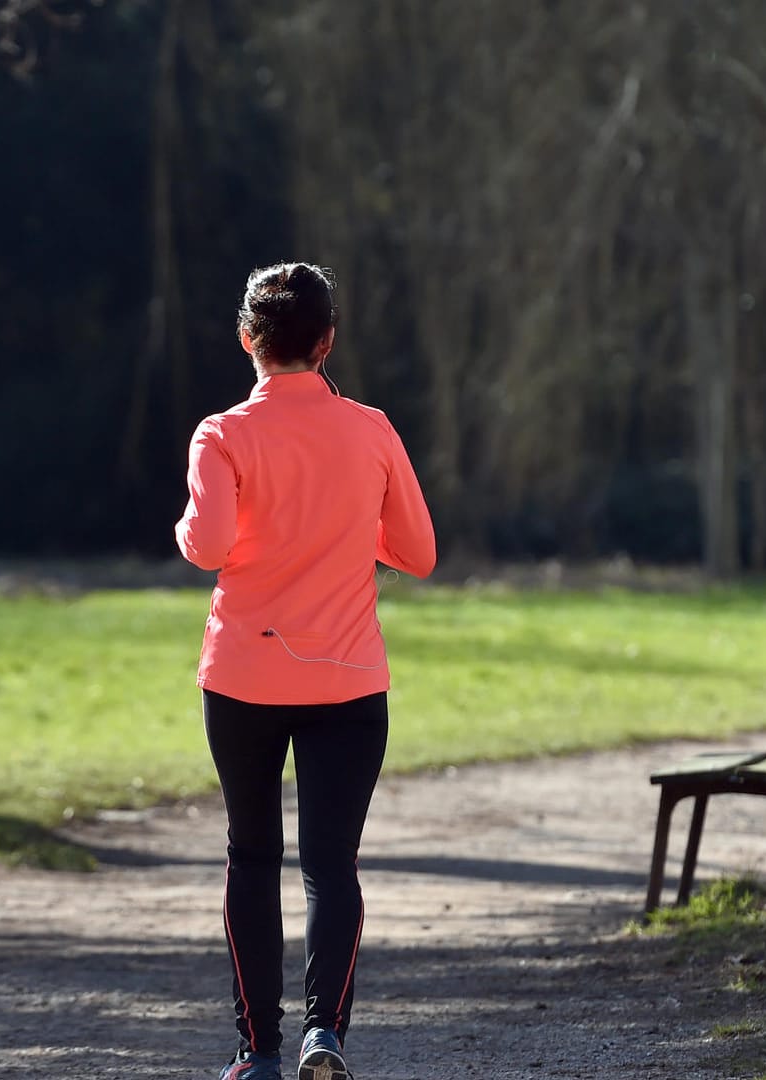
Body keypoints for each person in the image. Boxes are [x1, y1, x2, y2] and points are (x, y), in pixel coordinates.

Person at [175, 263, 436, 1080]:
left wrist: (192, 524)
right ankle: (327, 1036)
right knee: (332, 866)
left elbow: (208, 547)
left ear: (249, 339)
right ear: (327, 343)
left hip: (244, 678)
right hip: (349, 682)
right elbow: (419, 554)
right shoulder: (373, 429)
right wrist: (352, 534)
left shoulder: (221, 435)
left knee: (251, 856)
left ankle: (257, 1050)